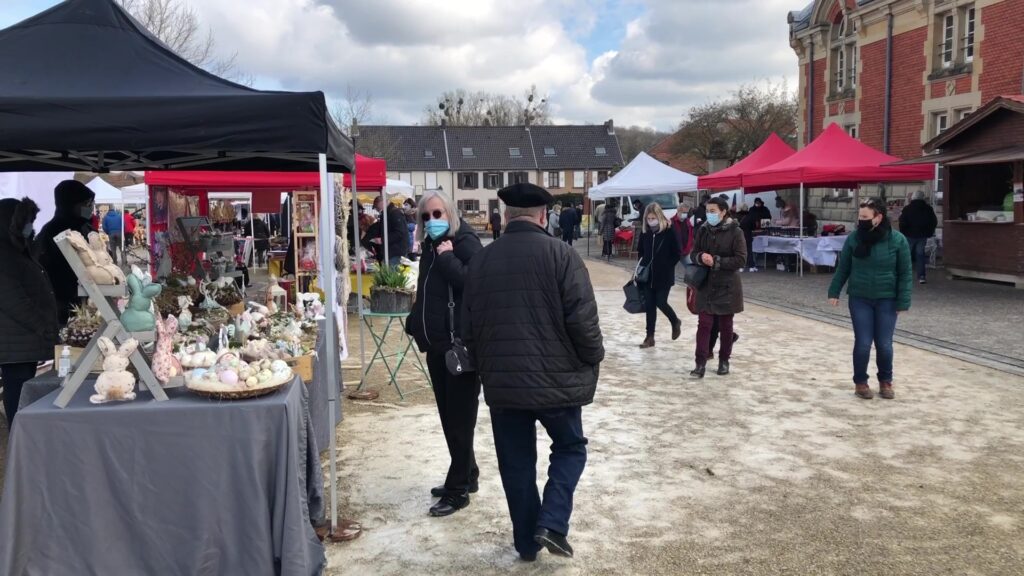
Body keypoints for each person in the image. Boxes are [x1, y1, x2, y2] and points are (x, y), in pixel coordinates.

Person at [462, 182, 604, 562]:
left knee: (516, 463)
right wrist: (594, 357)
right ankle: (553, 523)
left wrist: (483, 369)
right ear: (544, 216)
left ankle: (527, 542)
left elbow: (468, 327)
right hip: (556, 380)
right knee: (571, 447)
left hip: (504, 384)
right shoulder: (562, 255)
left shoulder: (481, 261)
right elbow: (583, 320)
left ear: (506, 217)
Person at [406, 190, 484, 517]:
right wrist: (416, 324)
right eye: (426, 216)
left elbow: (475, 283)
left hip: (460, 348)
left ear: (450, 212)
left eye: (437, 214)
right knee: (449, 416)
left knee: (459, 420)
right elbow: (428, 290)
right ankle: (469, 473)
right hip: (438, 345)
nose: (432, 221)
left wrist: (448, 258)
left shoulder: (464, 242)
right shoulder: (431, 245)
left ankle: (457, 490)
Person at [828, 198, 912, 400]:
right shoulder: (854, 238)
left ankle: (885, 381)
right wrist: (834, 291)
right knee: (863, 342)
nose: (861, 220)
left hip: (887, 299)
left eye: (865, 217)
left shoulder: (897, 240)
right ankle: (861, 383)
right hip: (860, 297)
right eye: (860, 216)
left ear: (878, 217)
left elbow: (905, 273)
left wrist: (903, 301)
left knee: (884, 344)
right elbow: (844, 267)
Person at [0, 198, 58, 427]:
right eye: (26, 221)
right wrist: (42, 325)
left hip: (23, 341)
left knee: (22, 391)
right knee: (18, 393)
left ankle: (23, 433)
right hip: (16, 342)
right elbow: (12, 299)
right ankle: (20, 438)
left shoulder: (18, 250)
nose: (30, 226)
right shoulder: (4, 254)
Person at [689, 197, 746, 378]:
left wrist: (717, 261)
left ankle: (724, 360)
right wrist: (700, 257)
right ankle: (700, 364)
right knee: (704, 325)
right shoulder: (703, 229)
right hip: (706, 284)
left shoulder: (736, 231)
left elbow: (741, 259)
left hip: (727, 285)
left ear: (723, 211)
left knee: (725, 326)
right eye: (708, 211)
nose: (709, 214)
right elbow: (693, 253)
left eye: (713, 211)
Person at [36, 180, 96, 326]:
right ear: (70, 204)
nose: (90, 208)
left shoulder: (84, 225)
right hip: (62, 298)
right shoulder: (54, 230)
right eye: (86, 204)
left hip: (82, 294)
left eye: (91, 203)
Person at [637, 203, 681, 348]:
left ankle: (674, 320)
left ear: (659, 217)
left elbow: (677, 252)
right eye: (648, 218)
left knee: (661, 302)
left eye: (653, 218)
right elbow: (641, 251)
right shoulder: (645, 233)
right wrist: (641, 268)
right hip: (647, 276)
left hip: (664, 275)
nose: (651, 221)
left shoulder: (668, 231)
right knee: (650, 306)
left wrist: (667, 266)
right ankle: (649, 337)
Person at [898, 190, 938, 284]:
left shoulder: (907, 208)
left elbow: (902, 222)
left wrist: (903, 232)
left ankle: (903, 276)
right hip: (922, 235)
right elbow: (934, 221)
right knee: (920, 255)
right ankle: (922, 276)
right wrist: (929, 232)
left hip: (909, 235)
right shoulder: (928, 208)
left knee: (906, 255)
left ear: (913, 198)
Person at [367, 196, 410, 266]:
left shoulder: (395, 213)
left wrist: (382, 240)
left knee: (391, 272)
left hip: (396, 251)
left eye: (377, 207)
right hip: (391, 251)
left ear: (382, 203)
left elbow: (399, 233)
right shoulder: (387, 213)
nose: (377, 210)